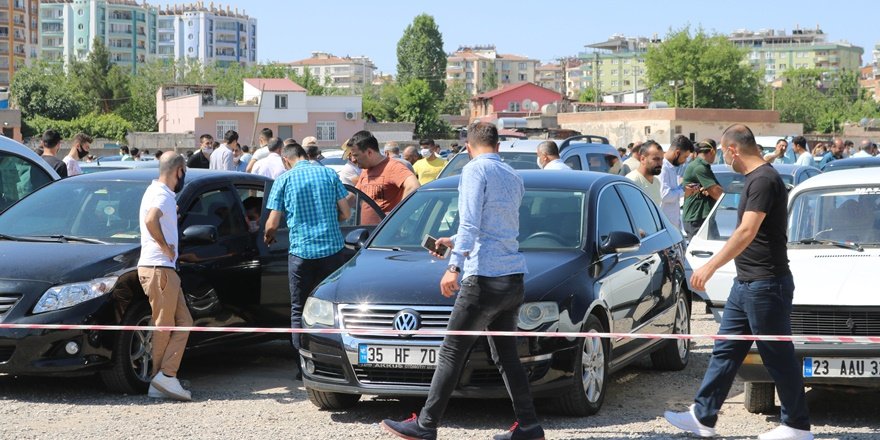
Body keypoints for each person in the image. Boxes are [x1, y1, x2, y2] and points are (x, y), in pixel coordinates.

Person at [381, 122, 544, 440]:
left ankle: (426, 425)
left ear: (468, 147)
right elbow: (493, 227)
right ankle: (529, 425)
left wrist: (454, 266)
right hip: (512, 277)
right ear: (498, 146)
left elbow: (470, 223)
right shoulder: (513, 175)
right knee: (506, 356)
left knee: (451, 351)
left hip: (483, 277)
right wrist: (453, 241)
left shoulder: (473, 170)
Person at [664, 124, 811, 440]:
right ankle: (703, 416)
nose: (722, 158)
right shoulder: (757, 178)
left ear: (733, 150)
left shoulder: (764, 180)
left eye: (723, 152)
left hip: (766, 284)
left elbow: (746, 230)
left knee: (777, 356)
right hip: (746, 283)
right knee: (725, 350)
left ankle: (797, 426)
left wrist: (710, 266)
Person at [264, 142, 351, 381]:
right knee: (333, 309)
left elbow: (272, 224)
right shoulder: (328, 174)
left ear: (286, 160)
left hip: (301, 253)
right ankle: (334, 366)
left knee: (298, 309)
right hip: (332, 251)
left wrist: (268, 237)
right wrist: (328, 220)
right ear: (305, 155)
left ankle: (302, 367)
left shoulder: (284, 179)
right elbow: (346, 213)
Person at [137, 152, 194, 401]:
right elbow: (151, 220)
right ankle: (161, 379)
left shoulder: (158, 193)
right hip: (159, 267)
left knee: (183, 322)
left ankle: (165, 375)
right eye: (184, 171)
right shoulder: (161, 194)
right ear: (179, 170)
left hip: (163, 269)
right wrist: (165, 247)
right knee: (164, 326)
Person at [350, 131, 420, 224]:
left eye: (356, 155)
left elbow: (413, 186)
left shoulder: (393, 167)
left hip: (387, 231)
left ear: (369, 152)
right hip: (368, 231)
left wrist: (397, 216)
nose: (353, 160)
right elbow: (354, 196)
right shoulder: (365, 170)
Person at [681, 140, 723, 238]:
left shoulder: (699, 166)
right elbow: (718, 194)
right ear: (712, 151)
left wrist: (709, 190)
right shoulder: (700, 168)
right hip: (698, 218)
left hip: (700, 217)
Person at [660, 135, 697, 231]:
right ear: (677, 153)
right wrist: (684, 191)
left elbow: (673, 191)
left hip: (672, 225)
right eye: (684, 157)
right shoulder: (663, 168)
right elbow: (665, 195)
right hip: (665, 226)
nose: (684, 161)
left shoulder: (671, 167)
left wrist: (685, 189)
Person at [626, 140, 664, 206]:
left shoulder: (657, 182)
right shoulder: (632, 181)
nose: (660, 163)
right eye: (656, 159)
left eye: (661, 159)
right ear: (643, 159)